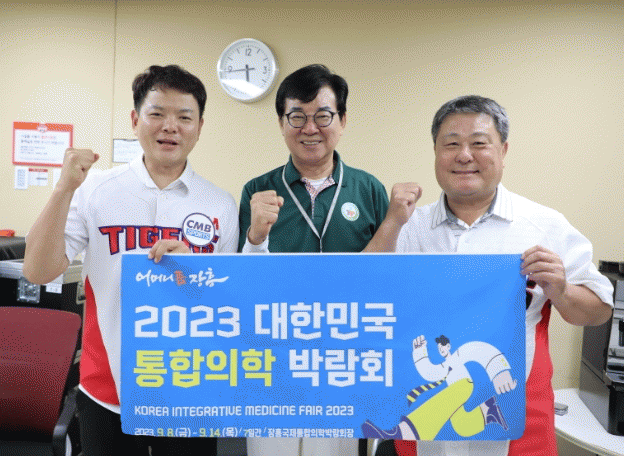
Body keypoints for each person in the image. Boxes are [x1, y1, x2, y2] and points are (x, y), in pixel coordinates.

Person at [365, 95, 613, 456]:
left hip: (518, 422)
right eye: (451, 144)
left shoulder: (544, 225)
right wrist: (392, 222)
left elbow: (599, 311)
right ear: (435, 151)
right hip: (423, 420)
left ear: (503, 150)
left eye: (479, 143)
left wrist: (561, 291)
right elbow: (362, 293)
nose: (464, 155)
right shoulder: (409, 225)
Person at [23, 64, 239, 455]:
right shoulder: (94, 189)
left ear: (200, 127)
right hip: (107, 389)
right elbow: (37, 271)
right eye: (157, 114)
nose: (170, 127)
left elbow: (228, 306)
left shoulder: (220, 204)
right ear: (136, 120)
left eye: (184, 117)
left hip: (190, 390)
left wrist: (195, 272)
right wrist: (64, 188)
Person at [239, 64, 389, 456]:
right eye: (297, 117)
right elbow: (242, 283)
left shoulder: (369, 189)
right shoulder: (258, 190)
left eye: (323, 116)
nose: (310, 128)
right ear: (281, 122)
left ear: (342, 120)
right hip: (275, 357)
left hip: (347, 357)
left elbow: (387, 274)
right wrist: (256, 236)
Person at [362, 334, 515, 441]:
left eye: (442, 346)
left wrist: (498, 370)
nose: (441, 349)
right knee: (462, 426)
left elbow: (477, 349)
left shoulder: (458, 355)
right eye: (439, 348)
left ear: (448, 346)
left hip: (463, 386)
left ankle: (404, 431)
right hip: (456, 391)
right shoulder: (443, 366)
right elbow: (430, 372)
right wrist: (420, 353)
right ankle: (489, 410)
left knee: (439, 404)